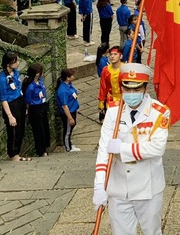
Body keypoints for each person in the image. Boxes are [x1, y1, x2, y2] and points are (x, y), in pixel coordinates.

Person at [93, 63, 170, 235]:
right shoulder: (113, 111)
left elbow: (157, 147)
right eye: (127, 89)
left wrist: (123, 149)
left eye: (136, 90)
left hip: (147, 186)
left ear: (145, 88)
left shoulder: (159, 112)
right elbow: (104, 151)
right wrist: (99, 184)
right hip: (118, 186)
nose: (131, 94)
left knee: (152, 232)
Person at [0, 51, 29, 161]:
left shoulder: (15, 73)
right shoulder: (2, 79)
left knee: (21, 129)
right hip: (11, 105)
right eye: (15, 62)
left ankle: (18, 153)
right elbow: (3, 99)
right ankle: (13, 154)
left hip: (19, 100)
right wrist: (10, 115)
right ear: (8, 63)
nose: (18, 63)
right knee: (14, 131)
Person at [23, 63, 50, 157]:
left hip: (42, 106)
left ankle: (45, 148)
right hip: (35, 109)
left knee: (45, 128)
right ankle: (41, 151)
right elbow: (28, 101)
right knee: (39, 131)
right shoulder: (30, 87)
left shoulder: (40, 81)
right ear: (37, 73)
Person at [56, 68, 80, 152]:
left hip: (73, 110)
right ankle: (68, 148)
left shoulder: (69, 85)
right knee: (67, 131)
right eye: (72, 75)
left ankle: (70, 144)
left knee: (70, 129)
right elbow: (64, 106)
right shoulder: (63, 91)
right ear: (68, 78)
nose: (74, 76)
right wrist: (70, 118)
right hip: (68, 113)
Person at [98, 46, 123, 123]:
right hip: (110, 100)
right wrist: (101, 103)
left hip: (123, 101)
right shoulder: (106, 70)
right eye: (111, 54)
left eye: (115, 54)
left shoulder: (125, 69)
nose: (112, 56)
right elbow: (103, 87)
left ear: (121, 56)